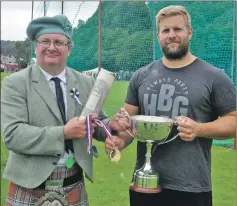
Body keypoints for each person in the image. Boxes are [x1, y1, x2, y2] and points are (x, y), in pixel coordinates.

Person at [105, 5, 236, 206]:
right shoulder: (141, 76)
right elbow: (127, 123)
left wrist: (199, 129)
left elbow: (233, 121)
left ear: (189, 32)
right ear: (158, 35)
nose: (171, 35)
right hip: (144, 185)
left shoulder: (214, 77)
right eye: (166, 30)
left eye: (178, 29)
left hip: (191, 188)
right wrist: (119, 142)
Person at [1, 14, 111, 206]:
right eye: (45, 41)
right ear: (36, 46)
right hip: (28, 186)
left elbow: (97, 122)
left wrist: (113, 128)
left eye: (59, 42)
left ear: (69, 48)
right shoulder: (15, 83)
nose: (52, 47)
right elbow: (13, 135)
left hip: (73, 184)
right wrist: (64, 133)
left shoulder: (86, 82)